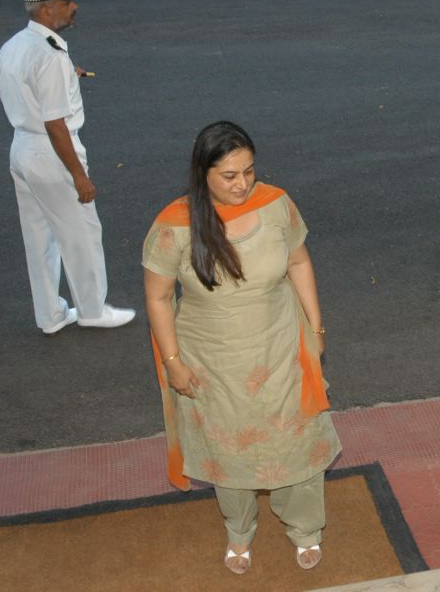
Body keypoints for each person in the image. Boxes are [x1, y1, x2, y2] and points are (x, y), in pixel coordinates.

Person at [142, 121, 340, 574]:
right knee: (229, 447)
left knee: (295, 439)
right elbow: (157, 297)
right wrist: (173, 362)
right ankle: (239, 528)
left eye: (249, 171)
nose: (242, 184)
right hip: (213, 361)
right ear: (203, 174)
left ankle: (305, 528)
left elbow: (299, 261)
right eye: (229, 175)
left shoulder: (276, 204)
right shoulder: (175, 225)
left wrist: (316, 327)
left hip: (281, 347)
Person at [0, 0, 134, 333]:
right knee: (81, 235)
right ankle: (92, 310)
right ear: (46, 9)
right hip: (52, 154)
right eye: (66, 1)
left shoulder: (14, 45)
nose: (74, 6)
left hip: (22, 149)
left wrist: (66, 79)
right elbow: (55, 124)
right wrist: (78, 176)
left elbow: (31, 93)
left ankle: (50, 315)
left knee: (38, 238)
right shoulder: (51, 56)